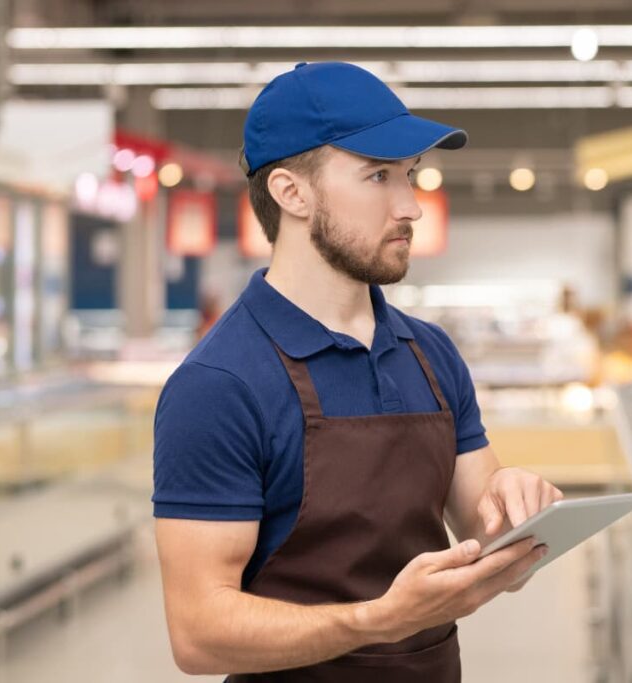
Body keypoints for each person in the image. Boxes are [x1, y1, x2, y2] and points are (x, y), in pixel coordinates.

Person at [151, 61, 563, 682]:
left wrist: (515, 508)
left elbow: (483, 525)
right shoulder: (219, 384)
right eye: (377, 176)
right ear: (292, 193)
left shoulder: (430, 353)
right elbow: (199, 635)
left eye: (411, 176)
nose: (411, 207)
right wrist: (377, 620)